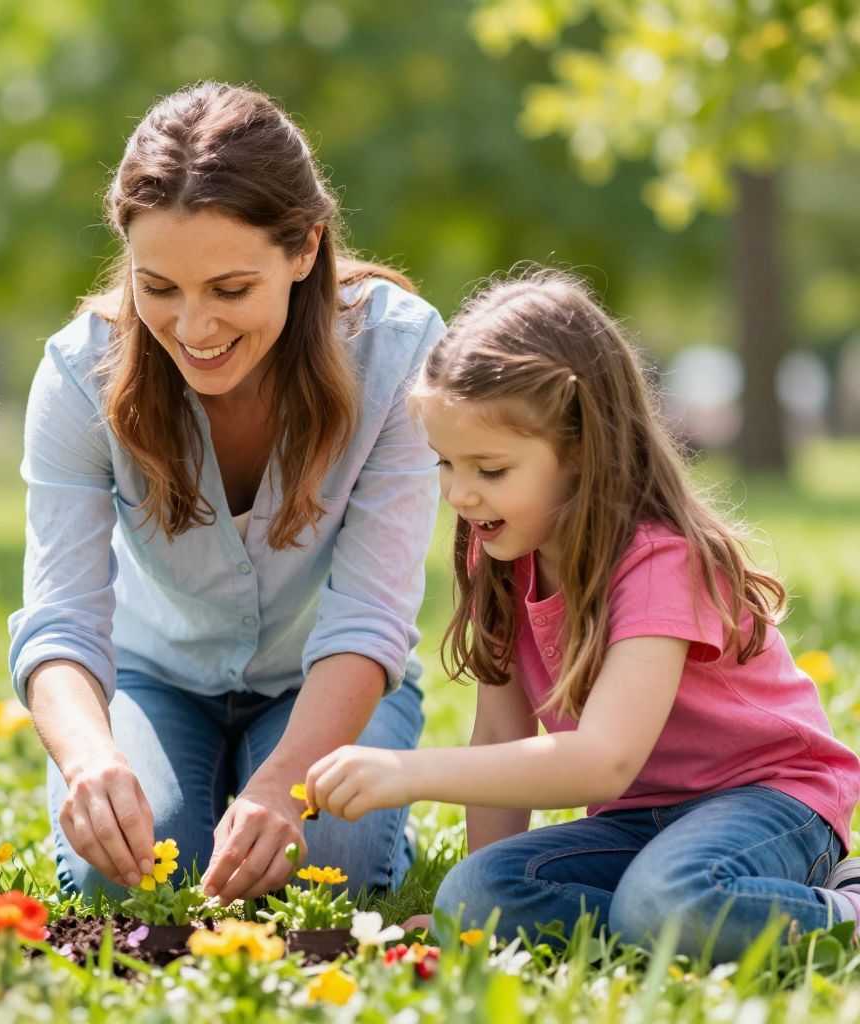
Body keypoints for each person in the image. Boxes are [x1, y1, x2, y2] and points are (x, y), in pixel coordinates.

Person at [305, 270, 860, 961]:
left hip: (765, 801)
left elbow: (603, 761)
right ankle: (672, 916)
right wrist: (480, 928)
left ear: (578, 449)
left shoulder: (659, 562)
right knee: (474, 898)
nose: (461, 494)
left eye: (491, 469)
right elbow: (500, 732)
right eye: (447, 464)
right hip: (638, 825)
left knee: (668, 902)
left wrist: (410, 771)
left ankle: (842, 909)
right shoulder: (500, 559)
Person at [9, 82, 444, 903]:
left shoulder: (399, 353)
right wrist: (91, 761)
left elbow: (369, 618)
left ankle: (322, 790)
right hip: (152, 674)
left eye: (231, 290)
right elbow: (61, 619)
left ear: (306, 248)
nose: (195, 329)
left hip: (323, 677)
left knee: (331, 869)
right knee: (124, 877)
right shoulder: (78, 373)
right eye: (159, 287)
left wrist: (284, 785)